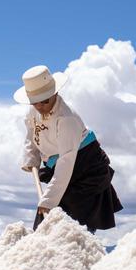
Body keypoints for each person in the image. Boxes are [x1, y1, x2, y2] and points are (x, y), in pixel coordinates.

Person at [16, 65, 123, 232]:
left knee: (76, 220)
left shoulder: (67, 118)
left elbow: (66, 161)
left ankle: (81, 245)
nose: (40, 106)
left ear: (55, 93)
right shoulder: (33, 110)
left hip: (84, 166)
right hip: (59, 165)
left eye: (45, 101)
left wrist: (48, 201)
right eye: (35, 102)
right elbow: (32, 133)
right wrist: (31, 158)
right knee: (45, 222)